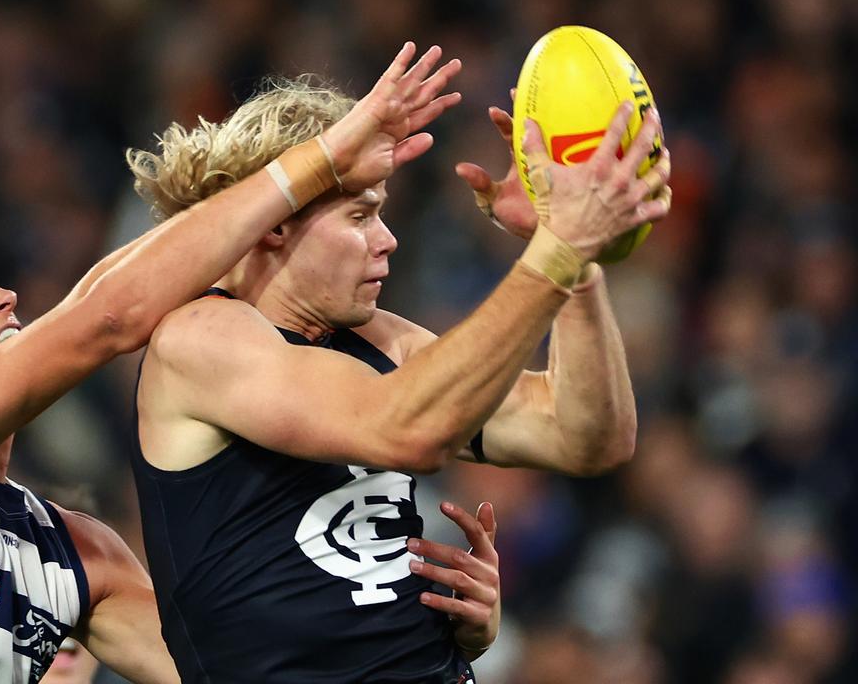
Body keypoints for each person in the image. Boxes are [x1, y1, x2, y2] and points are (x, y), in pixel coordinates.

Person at [0, 42, 463, 683]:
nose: (6, 298)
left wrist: (457, 635)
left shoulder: (73, 558)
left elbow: (231, 667)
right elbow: (106, 317)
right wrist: (319, 160)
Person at [127, 73, 671, 682]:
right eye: (360, 215)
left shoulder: (377, 339)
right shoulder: (199, 338)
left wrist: (569, 249)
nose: (387, 241)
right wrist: (557, 251)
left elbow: (586, 436)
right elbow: (406, 429)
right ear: (275, 224)